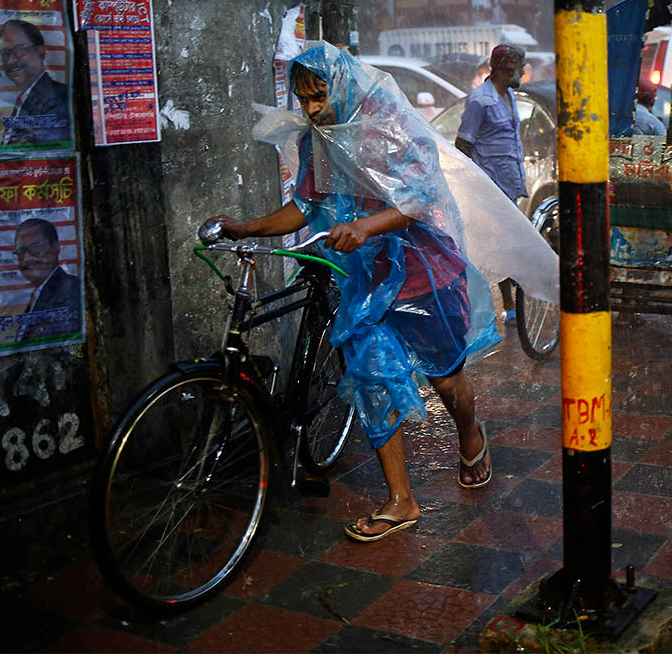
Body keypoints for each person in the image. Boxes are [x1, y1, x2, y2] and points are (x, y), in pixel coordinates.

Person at [209, 42, 506, 542]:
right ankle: (401, 500)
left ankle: (470, 433)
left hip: (423, 273)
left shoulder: (388, 122)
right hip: (369, 283)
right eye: (302, 99)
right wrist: (246, 228)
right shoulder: (317, 139)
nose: (310, 110)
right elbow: (306, 205)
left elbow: (421, 196)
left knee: (447, 383)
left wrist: (367, 226)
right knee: (371, 376)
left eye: (317, 97)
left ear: (342, 85)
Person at [454, 43, 526, 324]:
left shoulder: (510, 96)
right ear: (509, 67)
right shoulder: (479, 100)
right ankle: (507, 307)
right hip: (490, 189)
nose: (522, 71)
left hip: (511, 186)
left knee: (506, 246)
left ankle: (511, 303)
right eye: (520, 66)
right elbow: (463, 145)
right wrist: (475, 184)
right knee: (499, 247)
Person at [0, 19, 71, 146]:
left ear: (40, 52)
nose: (11, 60)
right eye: (5, 54)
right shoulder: (24, 98)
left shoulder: (56, 97)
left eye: (19, 50)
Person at [13, 218, 82, 341]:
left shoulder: (71, 290)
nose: (27, 258)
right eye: (21, 252)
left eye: (35, 248)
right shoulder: (38, 294)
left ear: (56, 248)